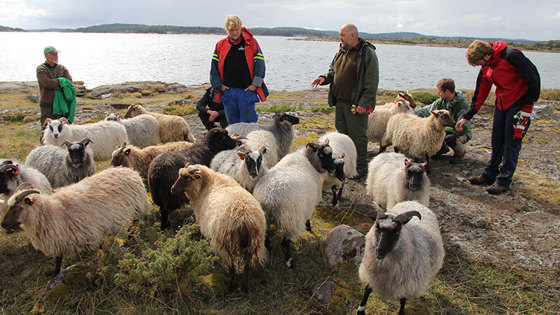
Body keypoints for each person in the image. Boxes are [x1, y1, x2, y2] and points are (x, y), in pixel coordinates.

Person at [456, 40, 540, 195]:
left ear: (487, 55)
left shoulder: (511, 56)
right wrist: (467, 116)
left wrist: (528, 106)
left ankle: (503, 180)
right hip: (502, 103)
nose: (480, 66)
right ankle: (489, 175)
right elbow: (481, 91)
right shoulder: (487, 65)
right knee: (497, 139)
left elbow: (533, 78)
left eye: (479, 62)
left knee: (511, 141)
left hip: (519, 104)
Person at [311, 23, 379, 179]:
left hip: (356, 104)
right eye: (340, 35)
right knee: (341, 135)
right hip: (340, 101)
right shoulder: (341, 51)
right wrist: (324, 78)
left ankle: (360, 166)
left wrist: (365, 103)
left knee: (357, 136)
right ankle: (345, 165)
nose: (339, 38)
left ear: (353, 36)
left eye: (342, 35)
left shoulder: (367, 53)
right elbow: (333, 71)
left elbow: (371, 81)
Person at [210, 15, 268, 124]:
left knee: (249, 124)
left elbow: (260, 66)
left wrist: (254, 85)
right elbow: (214, 69)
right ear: (227, 30)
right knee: (233, 125)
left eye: (237, 29)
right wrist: (220, 87)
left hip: (246, 90)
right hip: (228, 91)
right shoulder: (220, 45)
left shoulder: (252, 43)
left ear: (241, 27)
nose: (235, 33)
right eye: (231, 30)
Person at [414, 78, 472, 164]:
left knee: (450, 138)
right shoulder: (440, 102)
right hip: (445, 130)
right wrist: (412, 111)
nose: (438, 94)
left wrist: (443, 130)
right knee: (434, 135)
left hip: (460, 132)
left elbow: (464, 127)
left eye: (440, 91)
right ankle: (442, 148)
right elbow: (427, 110)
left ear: (447, 92)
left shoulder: (462, 105)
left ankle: (460, 153)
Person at [36, 46, 73, 126]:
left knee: (63, 129)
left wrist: (56, 84)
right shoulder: (41, 69)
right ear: (46, 56)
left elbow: (69, 82)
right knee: (47, 130)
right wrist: (61, 83)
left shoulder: (62, 68)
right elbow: (47, 83)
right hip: (48, 105)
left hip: (62, 104)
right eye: (53, 54)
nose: (56, 56)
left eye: (56, 54)